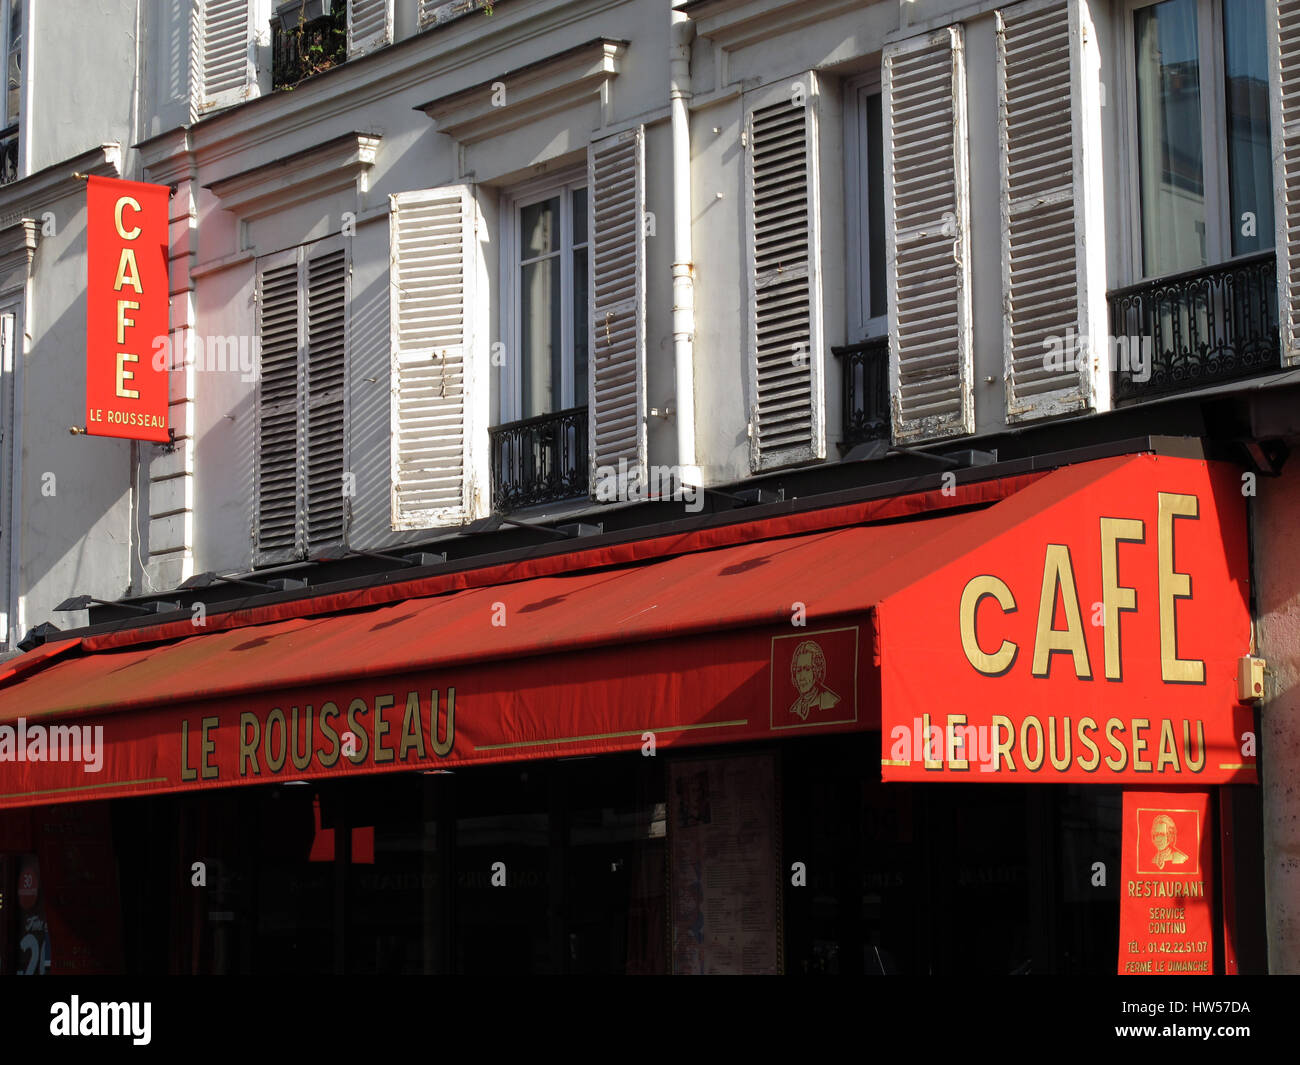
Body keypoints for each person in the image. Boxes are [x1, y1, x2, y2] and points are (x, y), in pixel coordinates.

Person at [788, 640, 840, 721]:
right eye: (798, 670)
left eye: (807, 669)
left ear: (817, 671)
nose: (801, 677)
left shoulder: (831, 701)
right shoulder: (794, 708)